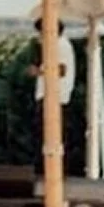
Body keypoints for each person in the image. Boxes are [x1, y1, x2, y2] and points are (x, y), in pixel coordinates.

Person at [28, 18, 75, 173]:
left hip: (55, 97)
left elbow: (61, 70)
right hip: (50, 96)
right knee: (45, 135)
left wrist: (39, 71)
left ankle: (56, 171)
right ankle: (49, 169)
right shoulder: (55, 46)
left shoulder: (61, 45)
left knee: (53, 135)